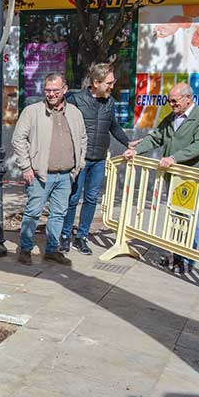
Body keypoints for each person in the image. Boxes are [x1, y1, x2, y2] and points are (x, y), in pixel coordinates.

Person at [123, 82, 199, 274]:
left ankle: (188, 259)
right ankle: (175, 255)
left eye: (174, 100)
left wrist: (174, 158)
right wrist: (136, 151)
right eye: (169, 100)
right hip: (173, 176)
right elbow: (156, 137)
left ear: (188, 98)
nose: (171, 104)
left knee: (189, 218)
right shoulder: (171, 117)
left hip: (190, 176)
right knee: (175, 216)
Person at [12, 73, 87, 266]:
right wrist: (26, 166)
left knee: (58, 214)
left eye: (55, 90)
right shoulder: (32, 111)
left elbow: (83, 139)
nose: (51, 94)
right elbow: (18, 139)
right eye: (48, 90)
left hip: (66, 175)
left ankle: (52, 250)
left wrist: (79, 165)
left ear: (65, 90)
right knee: (33, 213)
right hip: (40, 175)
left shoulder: (75, 113)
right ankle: (25, 249)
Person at [60, 63, 130, 255]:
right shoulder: (75, 100)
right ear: (96, 83)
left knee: (91, 199)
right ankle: (65, 236)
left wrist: (128, 143)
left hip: (98, 159)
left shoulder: (110, 102)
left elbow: (113, 127)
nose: (112, 86)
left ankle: (81, 237)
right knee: (73, 198)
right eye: (109, 83)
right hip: (79, 160)